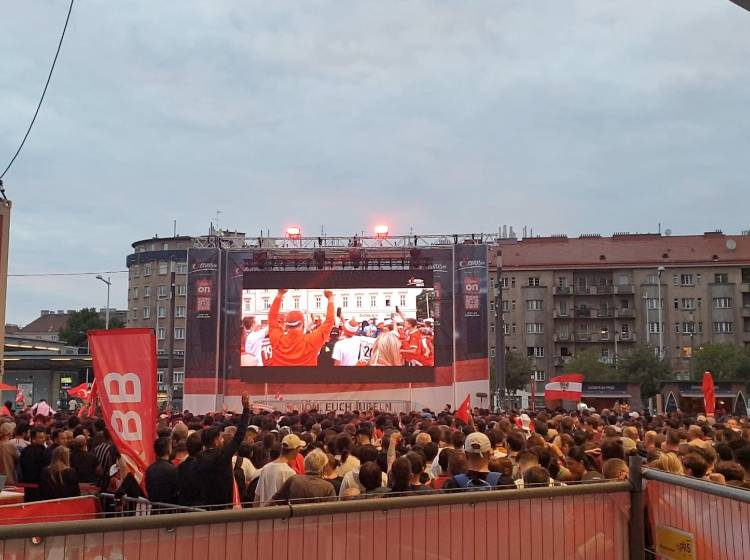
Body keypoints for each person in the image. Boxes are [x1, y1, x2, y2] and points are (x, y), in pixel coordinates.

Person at [196, 393, 251, 508]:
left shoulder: (198, 458)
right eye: (220, 437)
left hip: (205, 505)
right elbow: (239, 436)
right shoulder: (222, 455)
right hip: (224, 505)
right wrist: (246, 410)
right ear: (216, 440)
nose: (222, 439)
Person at [267, 289, 335, 366]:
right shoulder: (311, 340)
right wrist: (330, 298)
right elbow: (330, 321)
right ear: (302, 324)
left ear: (286, 325)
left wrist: (279, 294)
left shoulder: (277, 339)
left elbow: (271, 318)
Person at [270, 448, 336, 504]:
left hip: (294, 518)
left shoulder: (293, 480)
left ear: (305, 464)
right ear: (323, 468)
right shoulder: (328, 487)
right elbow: (332, 513)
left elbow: (274, 501)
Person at [254, 434, 304, 506]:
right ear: (296, 450)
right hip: (281, 515)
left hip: (264, 514)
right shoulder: (290, 472)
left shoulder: (265, 468)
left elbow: (256, 500)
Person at [145, 437, 179, 507]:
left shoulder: (149, 469)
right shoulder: (173, 470)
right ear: (169, 450)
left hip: (154, 510)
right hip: (170, 510)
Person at [20, 427, 50, 501]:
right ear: (33, 439)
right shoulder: (43, 452)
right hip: (38, 486)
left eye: (44, 437)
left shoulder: (25, 450)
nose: (43, 439)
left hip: (28, 485)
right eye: (40, 437)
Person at [178, 432, 203, 507]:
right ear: (202, 448)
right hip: (200, 507)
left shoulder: (181, 466)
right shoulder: (202, 466)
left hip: (184, 506)